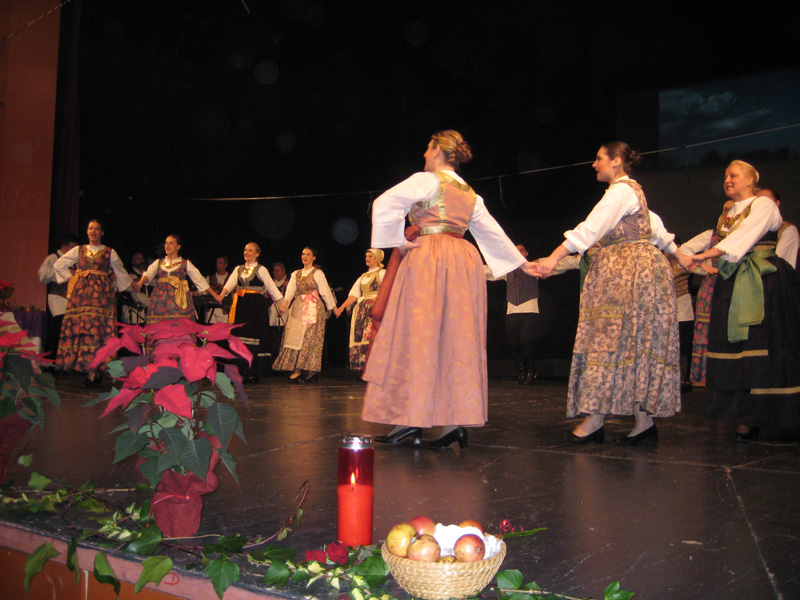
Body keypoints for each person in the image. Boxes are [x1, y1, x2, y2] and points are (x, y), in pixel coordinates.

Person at [361, 130, 525, 450]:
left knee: (416, 336)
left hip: (428, 257)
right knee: (457, 340)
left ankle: (409, 421)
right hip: (463, 261)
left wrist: (397, 240)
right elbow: (491, 233)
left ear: (437, 150)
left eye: (428, 147)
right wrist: (521, 264)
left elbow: (385, 203)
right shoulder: (470, 193)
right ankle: (454, 425)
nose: (425, 153)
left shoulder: (427, 180)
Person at [529, 142, 692, 445]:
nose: (594, 164)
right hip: (630, 273)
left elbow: (589, 229)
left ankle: (596, 420)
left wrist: (553, 257)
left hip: (628, 275)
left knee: (610, 341)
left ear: (616, 161)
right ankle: (643, 422)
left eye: (599, 158)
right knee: (633, 342)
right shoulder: (630, 193)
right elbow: (654, 227)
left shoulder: (621, 191)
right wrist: (679, 255)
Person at [680, 161, 800, 441]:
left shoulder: (763, 205)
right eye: (725, 176)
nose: (727, 180)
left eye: (733, 175)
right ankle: (744, 415)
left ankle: (770, 413)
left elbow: (744, 239)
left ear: (750, 180)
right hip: (732, 281)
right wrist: (701, 261)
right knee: (738, 349)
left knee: (762, 345)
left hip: (762, 282)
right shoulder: (728, 214)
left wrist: (703, 255)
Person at [54, 220, 133, 385]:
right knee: (84, 330)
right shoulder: (79, 250)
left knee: (98, 331)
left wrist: (120, 287)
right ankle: (89, 370)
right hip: (81, 296)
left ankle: (95, 371)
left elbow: (121, 272)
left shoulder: (109, 252)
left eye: (97, 229)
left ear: (102, 232)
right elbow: (59, 264)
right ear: (87, 231)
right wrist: (74, 277)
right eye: (91, 228)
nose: (93, 231)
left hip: (101, 297)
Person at [682, 200, 734, 387]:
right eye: (725, 210)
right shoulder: (711, 235)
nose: (729, 213)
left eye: (733, 209)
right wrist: (704, 267)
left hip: (736, 287)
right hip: (713, 288)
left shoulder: (745, 235)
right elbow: (683, 250)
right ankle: (703, 376)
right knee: (706, 331)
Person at [220, 243, 285, 383]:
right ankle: (241, 372)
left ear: (257, 254)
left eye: (250, 250)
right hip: (242, 306)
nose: (247, 252)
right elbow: (230, 284)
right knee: (240, 339)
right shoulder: (238, 269)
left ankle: (253, 373)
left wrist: (280, 304)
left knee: (254, 339)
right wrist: (221, 295)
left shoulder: (261, 269)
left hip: (256, 307)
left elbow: (271, 287)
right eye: (245, 250)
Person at [273, 246, 336, 383]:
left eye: (308, 254)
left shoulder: (317, 273)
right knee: (296, 338)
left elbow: (325, 292)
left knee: (309, 339)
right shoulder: (296, 274)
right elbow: (290, 291)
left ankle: (309, 371)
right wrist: (285, 305)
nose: (305, 256)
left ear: (314, 257)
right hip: (299, 306)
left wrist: (334, 309)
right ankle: (297, 370)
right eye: (303, 254)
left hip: (313, 308)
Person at [132, 235, 220, 327]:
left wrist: (215, 296)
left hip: (178, 301)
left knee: (179, 327)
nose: (167, 246)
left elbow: (199, 280)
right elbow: (148, 274)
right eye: (166, 243)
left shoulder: (185, 263)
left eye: (171, 243)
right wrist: (140, 283)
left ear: (178, 246)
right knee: (159, 328)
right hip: (160, 300)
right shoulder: (158, 263)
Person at [486, 244, 541, 385]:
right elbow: (487, 271)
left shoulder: (535, 267)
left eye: (521, 250)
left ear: (526, 253)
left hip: (530, 310)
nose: (518, 253)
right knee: (513, 344)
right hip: (512, 311)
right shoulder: (507, 270)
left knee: (526, 342)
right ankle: (521, 372)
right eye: (515, 251)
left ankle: (531, 372)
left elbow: (556, 264)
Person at [333, 249, 386, 372]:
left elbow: (389, 289)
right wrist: (341, 308)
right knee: (362, 337)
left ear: (377, 258)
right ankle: (366, 370)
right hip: (362, 312)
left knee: (372, 336)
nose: (367, 258)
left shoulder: (383, 273)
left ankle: (376, 369)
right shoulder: (362, 277)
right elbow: (354, 295)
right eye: (366, 256)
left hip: (375, 310)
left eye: (370, 256)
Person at [37, 233, 79, 360]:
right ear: (64, 246)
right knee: (58, 328)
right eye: (72, 247)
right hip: (58, 298)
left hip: (73, 300)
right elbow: (43, 275)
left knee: (69, 330)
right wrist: (66, 273)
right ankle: (51, 359)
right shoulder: (53, 258)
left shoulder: (75, 262)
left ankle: (64, 360)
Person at [758, 188, 798, 269]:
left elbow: (779, 260)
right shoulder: (752, 229)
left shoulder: (787, 230)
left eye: (766, 201)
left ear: (776, 203)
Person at [205, 255, 230, 324]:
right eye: (217, 263)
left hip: (224, 311)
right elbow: (203, 290)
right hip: (211, 310)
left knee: (224, 329)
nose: (217, 265)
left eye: (220, 263)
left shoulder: (230, 279)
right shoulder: (209, 278)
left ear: (225, 265)